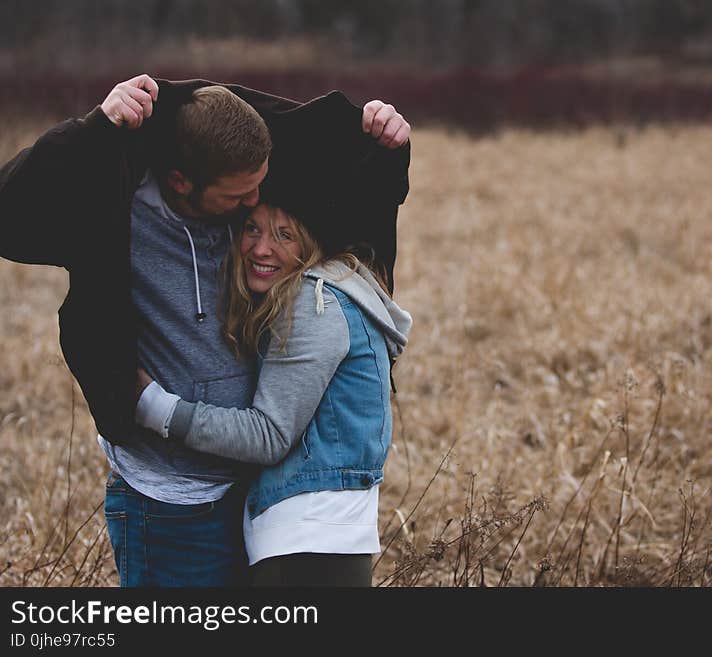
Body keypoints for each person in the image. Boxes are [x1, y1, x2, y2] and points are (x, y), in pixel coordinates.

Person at [0, 74, 411, 586]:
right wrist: (94, 129)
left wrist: (388, 143)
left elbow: (343, 179)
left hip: (252, 495)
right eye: (240, 197)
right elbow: (10, 209)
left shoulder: (243, 191)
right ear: (180, 182)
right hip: (169, 500)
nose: (256, 201)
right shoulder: (114, 210)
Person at [135, 199, 411, 586]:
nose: (262, 248)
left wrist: (154, 407)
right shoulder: (336, 290)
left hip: (306, 539)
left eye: (285, 235)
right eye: (252, 228)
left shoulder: (316, 305)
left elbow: (268, 435)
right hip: (325, 532)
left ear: (311, 243)